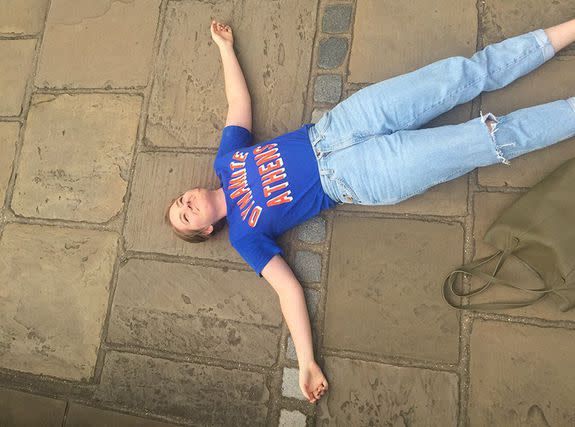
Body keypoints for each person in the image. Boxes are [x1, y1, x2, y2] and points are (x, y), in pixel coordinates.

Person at [167, 19, 575, 403]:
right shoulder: (243, 236)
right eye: (185, 217)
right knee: (486, 141)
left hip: (340, 125)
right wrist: (305, 361)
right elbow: (288, 290)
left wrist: (224, 47)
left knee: (461, 74)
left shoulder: (227, 160)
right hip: (359, 176)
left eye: (181, 201)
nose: (186, 205)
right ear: (205, 230)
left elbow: (238, 99)